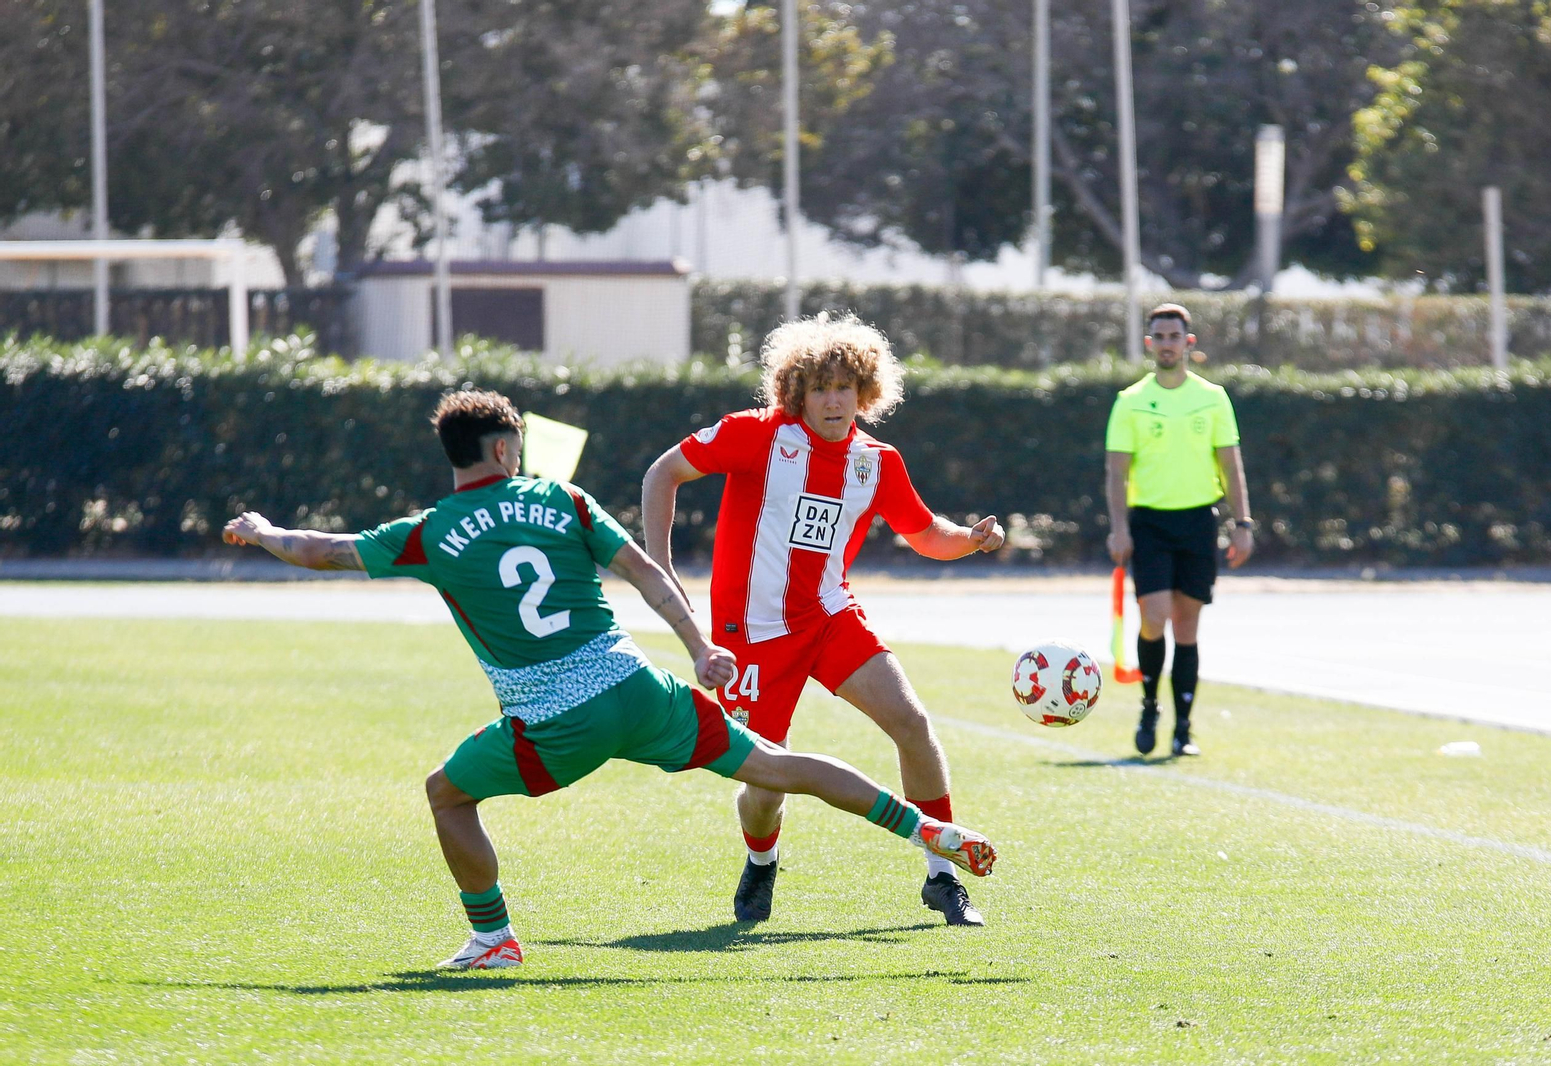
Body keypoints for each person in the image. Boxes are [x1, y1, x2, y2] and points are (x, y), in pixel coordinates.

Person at [222, 389, 996, 970]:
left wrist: (260, 534)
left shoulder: (428, 532)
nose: (519, 454)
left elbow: (322, 549)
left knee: (446, 793)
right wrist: (698, 647)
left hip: (553, 725)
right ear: (501, 450)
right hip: (638, 688)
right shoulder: (564, 499)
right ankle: (924, 830)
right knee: (775, 762)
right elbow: (646, 575)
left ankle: (492, 935)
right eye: (516, 443)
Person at [641, 313, 1006, 928]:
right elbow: (662, 474)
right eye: (821, 387)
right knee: (765, 782)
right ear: (796, 392)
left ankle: (942, 876)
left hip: (831, 619)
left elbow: (924, 535)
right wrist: (662, 572)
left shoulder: (877, 462)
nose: (834, 400)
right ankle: (763, 861)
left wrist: (970, 539)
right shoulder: (755, 435)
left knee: (911, 722)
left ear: (866, 392)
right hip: (751, 634)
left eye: (846, 387)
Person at [1104, 303, 1254, 758]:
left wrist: (1242, 524)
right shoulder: (1130, 402)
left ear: (1189, 343)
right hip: (1149, 522)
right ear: (1149, 344)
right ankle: (1150, 705)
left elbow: (1231, 465)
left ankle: (1183, 728)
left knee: (1187, 626)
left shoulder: (1212, 397)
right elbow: (1115, 473)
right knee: (1154, 618)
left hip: (1197, 523)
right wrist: (1118, 529)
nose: (1167, 343)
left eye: (1174, 336)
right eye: (1159, 336)